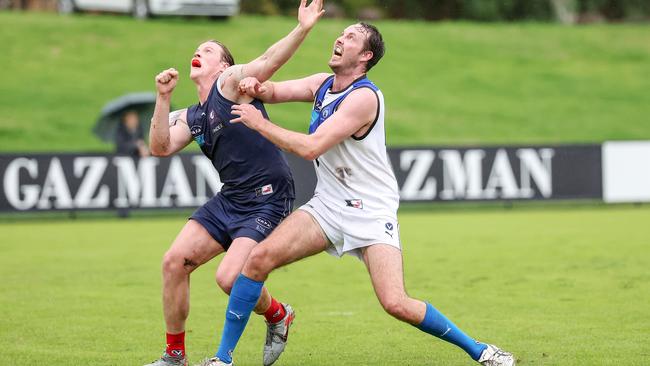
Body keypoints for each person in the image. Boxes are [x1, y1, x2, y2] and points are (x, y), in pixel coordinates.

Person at [212, 22, 517, 366]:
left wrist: (259, 123)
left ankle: (481, 351)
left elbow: (311, 147)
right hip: (327, 206)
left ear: (366, 56)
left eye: (351, 37)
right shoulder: (321, 85)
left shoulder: (364, 98)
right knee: (257, 261)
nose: (340, 38)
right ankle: (223, 359)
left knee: (395, 302)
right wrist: (256, 85)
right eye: (341, 33)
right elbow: (272, 91)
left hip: (370, 211)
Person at [144, 1, 325, 366]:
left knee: (230, 279)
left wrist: (302, 28)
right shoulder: (194, 116)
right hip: (231, 199)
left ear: (224, 66)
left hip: (268, 198)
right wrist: (162, 98)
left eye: (208, 50)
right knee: (173, 262)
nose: (199, 52)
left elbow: (267, 62)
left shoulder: (230, 85)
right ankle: (175, 356)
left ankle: (277, 315)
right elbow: (160, 147)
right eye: (197, 49)